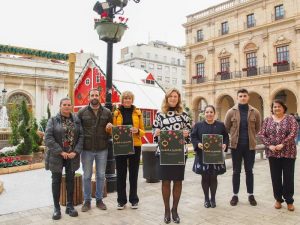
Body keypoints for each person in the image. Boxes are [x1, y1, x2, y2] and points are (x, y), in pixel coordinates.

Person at [153, 88, 191, 224]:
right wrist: (156, 133)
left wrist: (187, 134)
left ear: (178, 98)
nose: (173, 99)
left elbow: (190, 133)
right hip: (164, 153)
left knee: (178, 181)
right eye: (171, 96)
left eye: (175, 96)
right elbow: (154, 133)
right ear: (167, 98)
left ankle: (175, 210)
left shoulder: (184, 114)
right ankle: (166, 210)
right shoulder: (160, 114)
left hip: (179, 153)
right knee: (165, 181)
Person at [45, 97, 83, 220]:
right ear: (60, 106)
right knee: (56, 181)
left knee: (70, 180)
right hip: (57, 156)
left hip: (71, 155)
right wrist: (60, 151)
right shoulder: (53, 120)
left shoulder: (76, 120)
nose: (67, 106)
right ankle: (56, 208)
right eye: (64, 104)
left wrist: (75, 151)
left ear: (71, 106)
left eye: (69, 104)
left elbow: (81, 136)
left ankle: (70, 206)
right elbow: (48, 138)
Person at [259, 99, 299, 211]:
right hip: (273, 153)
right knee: (275, 178)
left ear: (283, 108)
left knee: (288, 178)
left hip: (288, 153)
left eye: (279, 106)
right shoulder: (267, 120)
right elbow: (262, 134)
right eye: (274, 106)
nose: (276, 108)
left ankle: (289, 201)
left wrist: (283, 144)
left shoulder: (290, 119)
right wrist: (269, 145)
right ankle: (278, 199)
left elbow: (294, 132)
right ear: (272, 108)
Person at [224, 88, 261, 206]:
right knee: (236, 171)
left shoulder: (255, 112)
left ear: (248, 97)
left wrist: (251, 138)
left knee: (249, 171)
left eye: (245, 96)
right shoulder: (231, 112)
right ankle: (235, 195)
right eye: (240, 96)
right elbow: (226, 128)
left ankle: (251, 195)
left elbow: (258, 128)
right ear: (237, 97)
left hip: (250, 147)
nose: (243, 98)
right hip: (236, 147)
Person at [78, 88, 113, 212]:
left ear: (100, 97)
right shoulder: (82, 112)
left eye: (96, 95)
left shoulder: (107, 112)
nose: (94, 97)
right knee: (86, 176)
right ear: (89, 97)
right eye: (92, 95)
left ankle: (99, 200)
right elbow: (78, 130)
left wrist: (110, 128)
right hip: (86, 149)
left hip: (102, 148)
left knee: (101, 175)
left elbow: (112, 130)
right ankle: (87, 201)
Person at [191, 105, 229, 208]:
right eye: (207, 112)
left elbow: (225, 137)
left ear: (214, 113)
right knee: (205, 177)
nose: (209, 114)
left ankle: (213, 198)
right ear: (204, 114)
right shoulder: (198, 125)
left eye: (211, 112)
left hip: (216, 156)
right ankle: (206, 198)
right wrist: (198, 143)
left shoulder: (221, 125)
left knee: (213, 177)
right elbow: (193, 136)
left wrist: (225, 144)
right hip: (202, 155)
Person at [112, 91, 145, 210]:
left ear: (132, 100)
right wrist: (110, 128)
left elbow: (143, 131)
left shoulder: (138, 112)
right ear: (122, 100)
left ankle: (134, 200)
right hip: (121, 145)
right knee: (121, 174)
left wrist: (137, 131)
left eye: (129, 98)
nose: (127, 100)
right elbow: (114, 131)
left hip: (135, 145)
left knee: (133, 173)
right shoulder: (116, 113)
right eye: (125, 98)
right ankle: (121, 201)